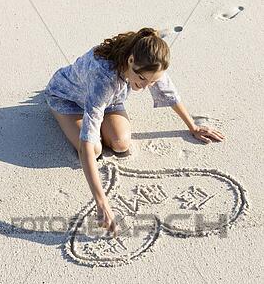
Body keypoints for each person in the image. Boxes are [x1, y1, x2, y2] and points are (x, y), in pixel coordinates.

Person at [44, 27, 225, 236]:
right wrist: (101, 202)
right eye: (141, 79)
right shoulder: (103, 76)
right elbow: (86, 143)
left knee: (121, 143)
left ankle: (108, 118)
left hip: (111, 100)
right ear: (130, 61)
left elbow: (169, 93)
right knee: (94, 150)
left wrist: (192, 126)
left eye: (152, 81)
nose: (146, 86)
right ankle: (55, 110)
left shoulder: (151, 64)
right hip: (67, 99)